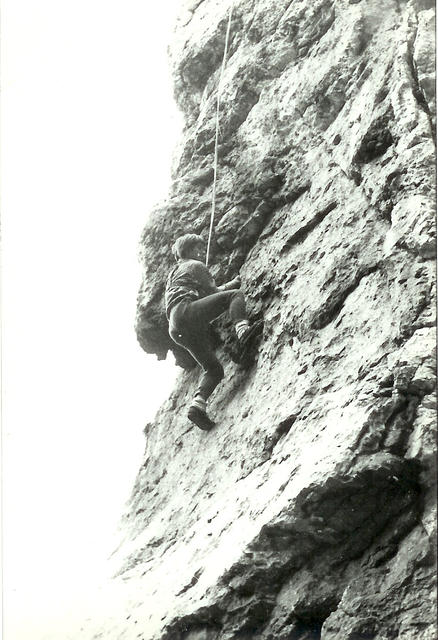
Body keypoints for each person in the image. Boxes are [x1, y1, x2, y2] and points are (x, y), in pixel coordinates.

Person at [165, 233, 262, 431]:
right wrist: (234, 284)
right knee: (234, 296)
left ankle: (197, 407)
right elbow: (215, 293)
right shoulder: (195, 265)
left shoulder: (174, 273)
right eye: (198, 248)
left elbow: (204, 292)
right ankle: (243, 330)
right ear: (189, 250)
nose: (201, 252)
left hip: (176, 328)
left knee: (213, 369)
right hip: (186, 312)